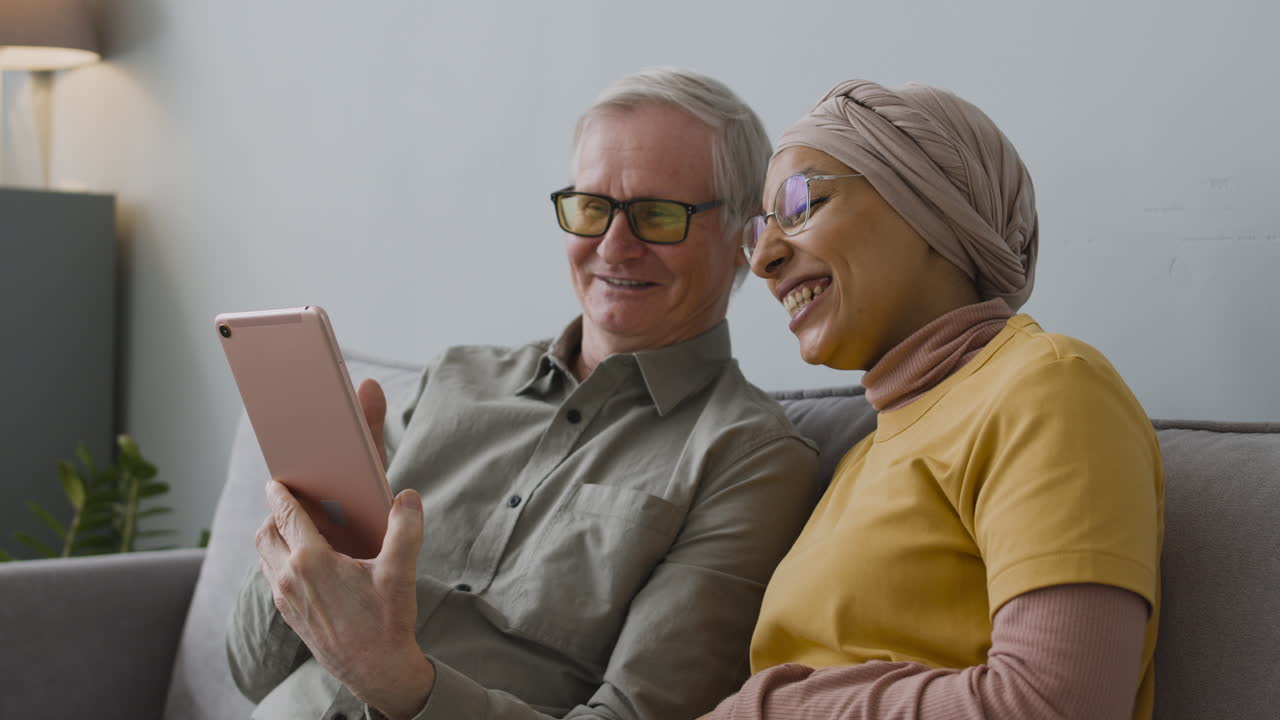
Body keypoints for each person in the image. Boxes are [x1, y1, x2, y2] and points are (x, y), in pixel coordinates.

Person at [226, 67, 821, 720]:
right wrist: (319, 519)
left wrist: (395, 681)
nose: (614, 247)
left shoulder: (749, 456)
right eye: (592, 209)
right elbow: (253, 670)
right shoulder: (454, 381)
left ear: (746, 238)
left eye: (657, 216)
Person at [704, 79, 1164, 720]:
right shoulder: (863, 455)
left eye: (802, 203)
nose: (765, 258)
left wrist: (773, 709)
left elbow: (1058, 703)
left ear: (930, 210)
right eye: (762, 228)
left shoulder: (1050, 386)